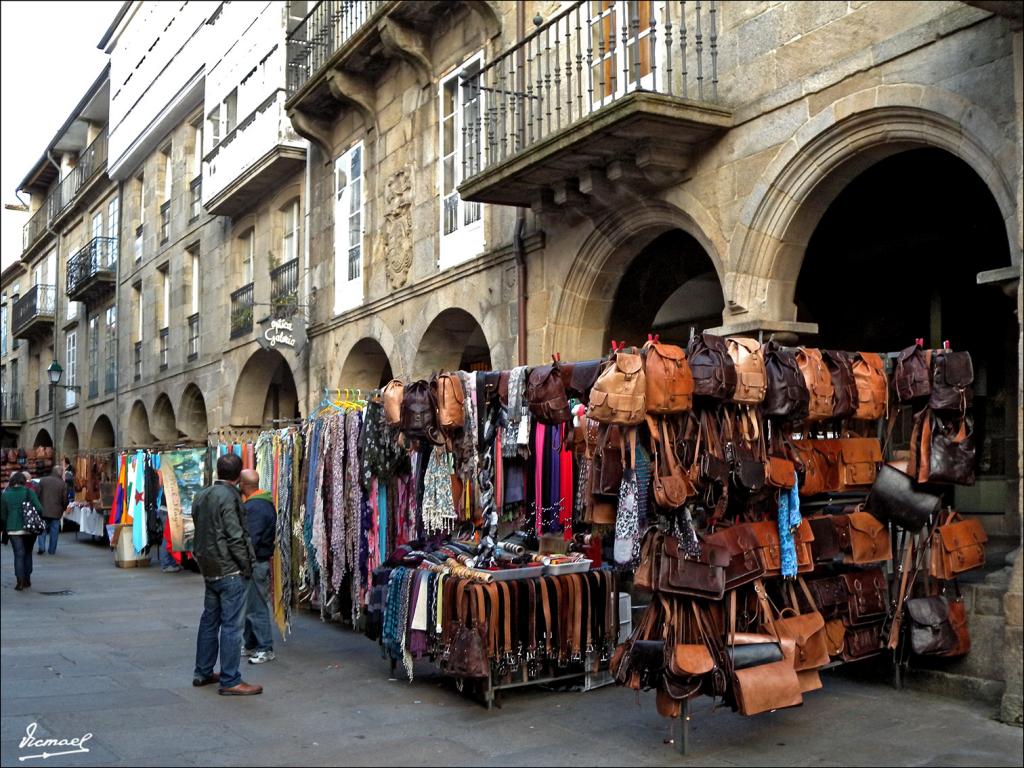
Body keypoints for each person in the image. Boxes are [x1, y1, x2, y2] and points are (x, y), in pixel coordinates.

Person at [190, 453, 261, 696]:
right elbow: (236, 536)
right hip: (229, 569)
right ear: (238, 476)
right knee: (232, 625)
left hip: (209, 567)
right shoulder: (230, 497)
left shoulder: (203, 495)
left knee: (210, 620)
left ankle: (203, 670)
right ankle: (230, 679)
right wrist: (247, 565)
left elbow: (199, 527)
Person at [238, 469, 276, 664]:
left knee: (256, 606)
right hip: (257, 561)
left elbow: (251, 539)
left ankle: (265, 647)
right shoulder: (264, 503)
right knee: (251, 605)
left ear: (243, 485)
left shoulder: (255, 507)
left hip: (255, 563)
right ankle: (251, 643)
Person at [1, 472, 44, 590]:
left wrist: (5, 526)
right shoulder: (28, 492)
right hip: (29, 528)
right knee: (28, 552)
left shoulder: (5, 495)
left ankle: (19, 581)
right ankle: (27, 579)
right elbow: (39, 508)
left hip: (13, 528)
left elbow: (2, 515)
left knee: (18, 554)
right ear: (23, 481)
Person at [36, 466, 66, 556]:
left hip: (43, 510)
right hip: (56, 511)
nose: (62, 473)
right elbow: (64, 499)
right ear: (59, 472)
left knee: (42, 529)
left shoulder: (43, 480)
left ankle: (41, 547)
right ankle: (52, 550)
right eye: (62, 471)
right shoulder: (62, 483)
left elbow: (37, 494)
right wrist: (64, 508)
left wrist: (38, 507)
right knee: (54, 531)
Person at [155, 503, 182, 573]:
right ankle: (166, 564)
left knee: (170, 537)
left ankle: (170, 563)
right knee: (167, 537)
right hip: (166, 510)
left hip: (168, 510)